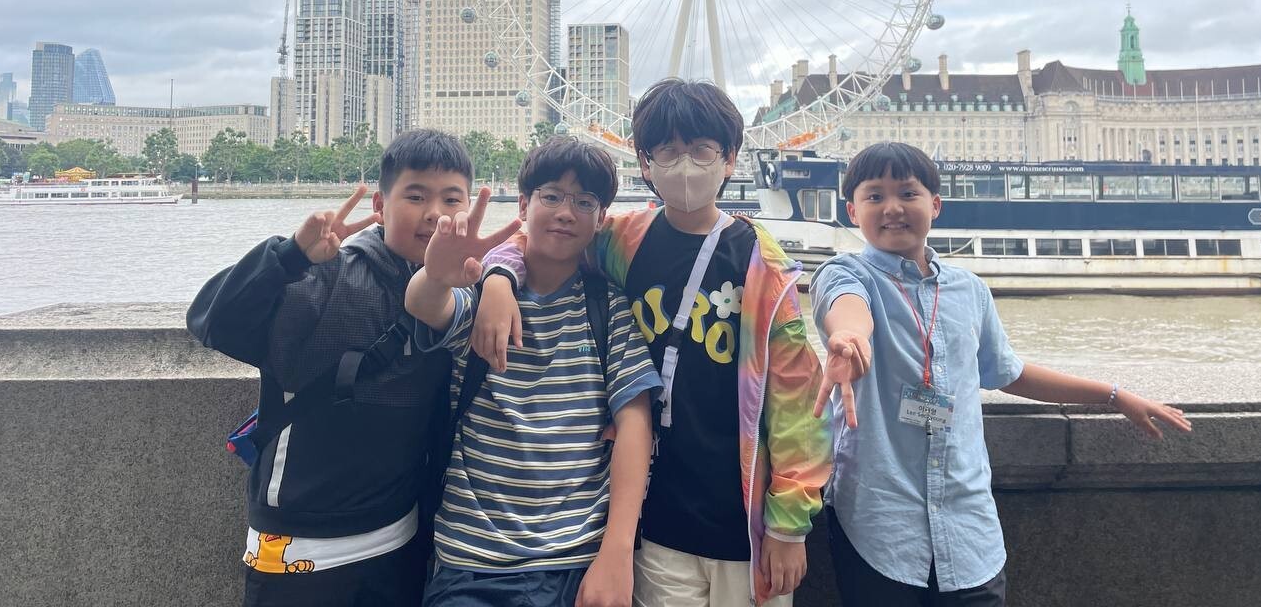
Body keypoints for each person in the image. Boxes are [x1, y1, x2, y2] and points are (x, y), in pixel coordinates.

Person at [479, 79, 832, 607]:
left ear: (729, 159)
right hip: (655, 519)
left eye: (701, 150)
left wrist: (789, 524)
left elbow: (796, 400)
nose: (685, 165)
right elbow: (541, 238)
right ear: (646, 163)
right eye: (667, 151)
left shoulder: (763, 263)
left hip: (745, 521)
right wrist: (498, 278)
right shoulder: (622, 242)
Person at [811, 141, 1193, 606]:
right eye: (875, 196)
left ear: (935, 205)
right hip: (879, 524)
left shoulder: (970, 290)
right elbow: (848, 310)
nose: (892, 207)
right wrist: (848, 339)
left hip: (969, 529)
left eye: (908, 193)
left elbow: (1010, 372)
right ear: (852, 211)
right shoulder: (845, 274)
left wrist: (1114, 395)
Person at [188, 129, 513, 607]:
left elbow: (532, 251)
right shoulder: (328, 275)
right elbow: (214, 322)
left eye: (451, 199)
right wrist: (290, 257)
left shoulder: (463, 293)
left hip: (402, 536)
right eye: (415, 196)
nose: (434, 213)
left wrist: (500, 277)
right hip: (301, 546)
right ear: (381, 204)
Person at [406, 136, 660, 607]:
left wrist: (617, 552)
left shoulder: (607, 309)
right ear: (524, 204)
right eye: (552, 196)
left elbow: (635, 423)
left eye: (584, 202)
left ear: (601, 217)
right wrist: (436, 274)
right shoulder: (481, 298)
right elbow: (425, 305)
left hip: (575, 558)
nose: (566, 212)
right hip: (471, 559)